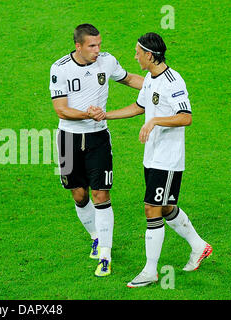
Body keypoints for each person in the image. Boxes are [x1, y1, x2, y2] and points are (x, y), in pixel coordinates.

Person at [88, 32, 212, 287]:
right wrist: (105, 116)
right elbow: (138, 107)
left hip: (168, 159)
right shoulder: (150, 80)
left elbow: (186, 116)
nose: (134, 56)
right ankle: (199, 246)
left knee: (151, 209)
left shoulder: (172, 81)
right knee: (165, 208)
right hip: (152, 157)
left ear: (150, 55)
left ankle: (150, 271)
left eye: (137, 52)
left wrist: (156, 121)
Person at [49, 23, 144, 277]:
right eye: (92, 46)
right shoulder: (60, 69)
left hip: (98, 139)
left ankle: (105, 254)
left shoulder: (107, 62)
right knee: (79, 195)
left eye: (99, 44)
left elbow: (129, 78)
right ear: (78, 46)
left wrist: (157, 85)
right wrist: (87, 113)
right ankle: (95, 235)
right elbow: (61, 109)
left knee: (101, 195)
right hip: (68, 139)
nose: (97, 50)